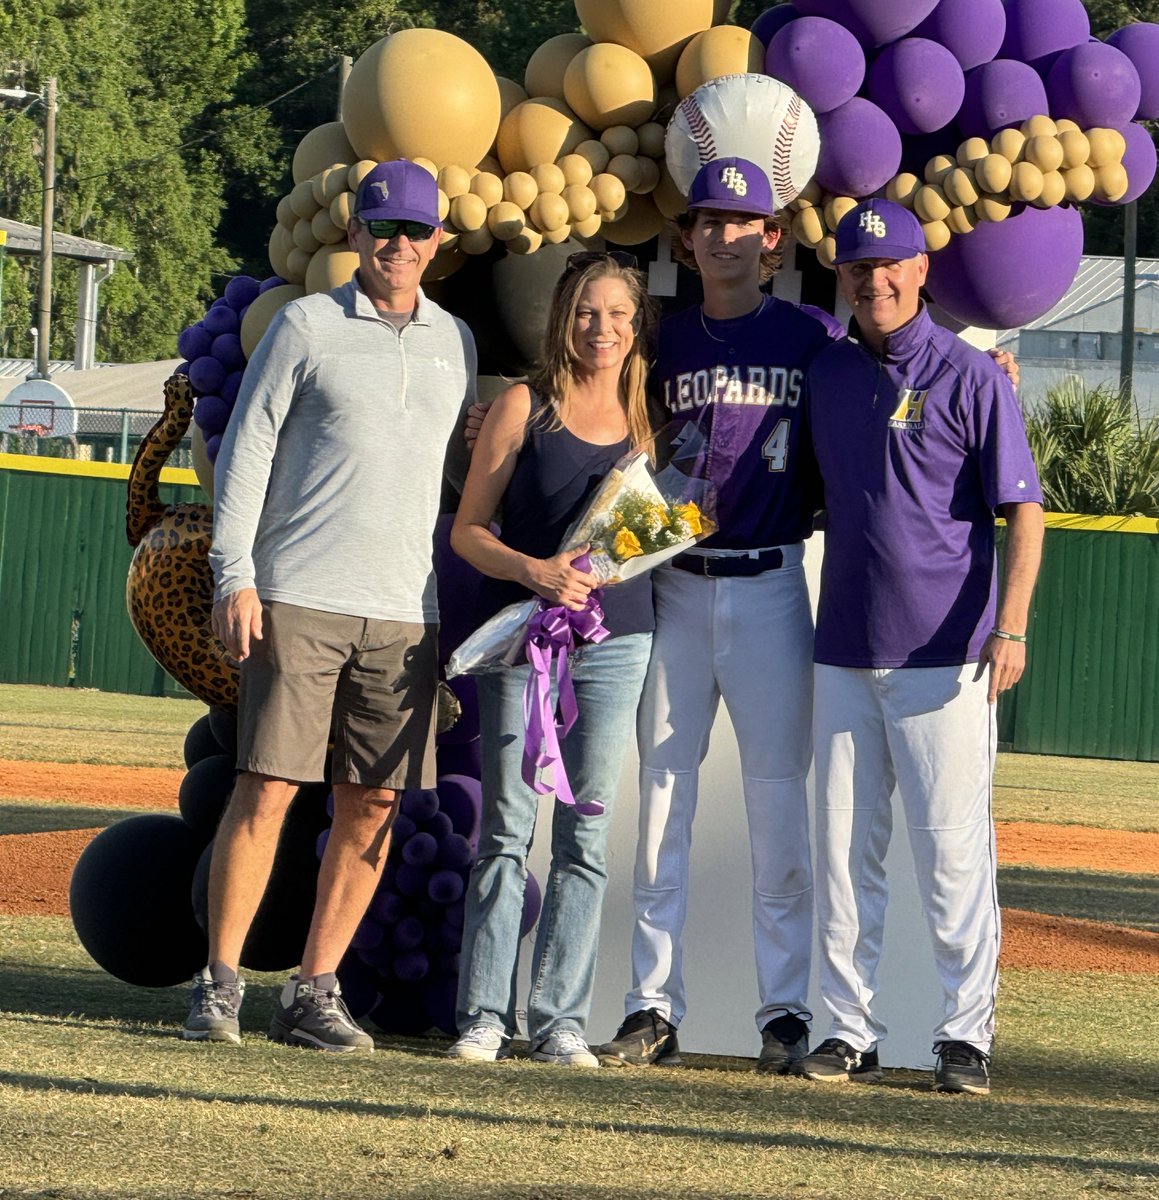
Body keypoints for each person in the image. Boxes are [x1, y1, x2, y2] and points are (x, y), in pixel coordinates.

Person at [184, 160, 477, 1051]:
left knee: (374, 805)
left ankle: (314, 994)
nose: (398, 245)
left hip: (403, 613)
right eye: (382, 229)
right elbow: (247, 450)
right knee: (266, 786)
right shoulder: (307, 326)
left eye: (415, 231)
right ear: (354, 234)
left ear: (438, 242)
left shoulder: (454, 342)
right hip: (299, 594)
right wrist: (235, 574)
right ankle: (220, 985)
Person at [596, 158, 842, 1073]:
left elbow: (887, 392)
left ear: (772, 239)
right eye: (708, 221)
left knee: (778, 800)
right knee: (661, 797)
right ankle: (650, 1007)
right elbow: (598, 427)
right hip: (677, 584)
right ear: (686, 238)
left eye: (742, 221)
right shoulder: (662, 342)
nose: (723, 235)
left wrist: (986, 366)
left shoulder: (814, 335)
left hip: (774, 581)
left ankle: (783, 1012)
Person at [801, 198, 1044, 1095]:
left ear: (919, 271)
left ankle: (962, 1035)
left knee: (950, 854)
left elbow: (1024, 511)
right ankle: (845, 1029)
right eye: (858, 270)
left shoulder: (974, 374)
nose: (874, 282)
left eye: (888, 266)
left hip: (947, 657)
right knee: (842, 852)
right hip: (843, 649)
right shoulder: (827, 372)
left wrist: (1009, 624)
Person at [447, 252, 658, 1067]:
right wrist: (531, 572)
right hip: (525, 640)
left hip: (617, 644)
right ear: (560, 319)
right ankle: (482, 1017)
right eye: (583, 312)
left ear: (635, 326)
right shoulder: (520, 407)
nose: (598, 328)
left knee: (586, 831)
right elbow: (470, 530)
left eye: (613, 313)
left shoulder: (650, 420)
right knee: (505, 829)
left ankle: (559, 1020)